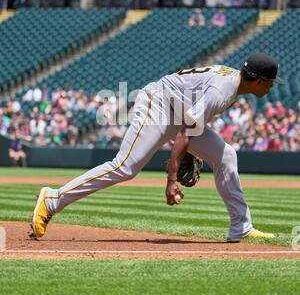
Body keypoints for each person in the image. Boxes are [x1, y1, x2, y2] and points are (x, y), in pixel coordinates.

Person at [31, 53, 283, 242]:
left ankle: (241, 226)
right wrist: (171, 179)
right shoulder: (222, 91)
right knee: (125, 167)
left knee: (226, 156)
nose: (272, 87)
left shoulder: (232, 82)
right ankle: (53, 199)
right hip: (158, 103)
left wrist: (186, 150)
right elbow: (187, 131)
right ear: (259, 81)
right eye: (270, 82)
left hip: (179, 111)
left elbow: (189, 124)